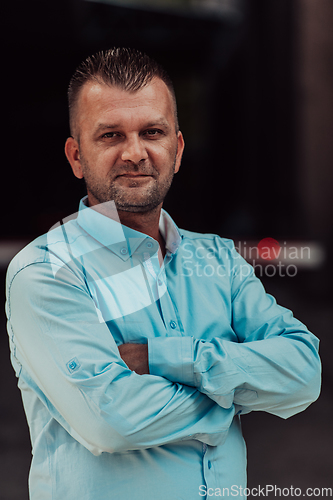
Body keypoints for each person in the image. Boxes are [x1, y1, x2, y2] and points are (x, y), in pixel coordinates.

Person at [6, 48, 321, 500]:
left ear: (176, 149)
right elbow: (113, 421)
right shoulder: (45, 273)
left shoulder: (217, 258)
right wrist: (235, 394)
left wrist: (168, 358)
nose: (135, 153)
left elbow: (304, 372)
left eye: (152, 132)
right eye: (111, 135)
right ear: (76, 157)